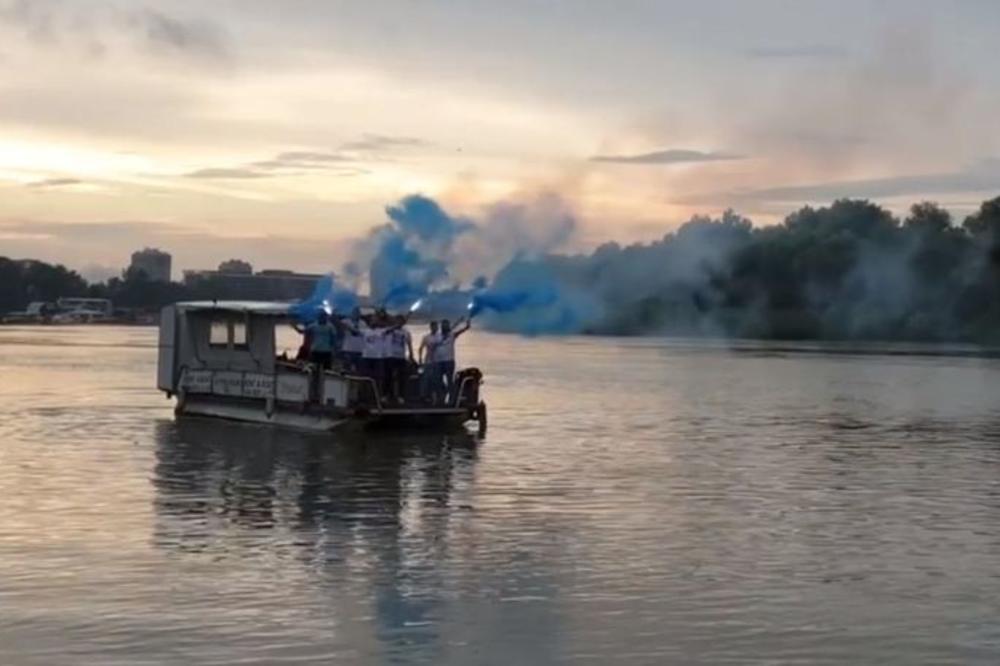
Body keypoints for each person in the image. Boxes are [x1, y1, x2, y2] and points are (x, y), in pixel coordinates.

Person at [436, 317, 471, 404]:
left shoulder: (452, 335)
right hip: (439, 361)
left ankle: (451, 399)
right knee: (438, 379)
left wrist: (467, 326)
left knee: (449, 380)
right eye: (443, 325)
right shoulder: (437, 336)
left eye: (446, 325)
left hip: (449, 361)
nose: (445, 326)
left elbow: (461, 331)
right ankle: (442, 396)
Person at [385, 315, 415, 404]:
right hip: (391, 356)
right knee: (389, 377)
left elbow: (409, 344)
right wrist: (395, 326)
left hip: (401, 357)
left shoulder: (406, 333)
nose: (399, 322)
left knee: (401, 377)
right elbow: (386, 332)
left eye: (401, 321)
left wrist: (411, 355)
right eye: (397, 320)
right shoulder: (390, 330)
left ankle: (401, 396)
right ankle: (388, 395)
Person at [418, 321, 441, 402]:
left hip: (438, 362)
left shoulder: (440, 337)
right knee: (426, 379)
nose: (434, 328)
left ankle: (437, 396)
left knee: (436, 379)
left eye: (436, 326)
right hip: (428, 361)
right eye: (433, 326)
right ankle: (423, 396)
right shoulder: (426, 337)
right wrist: (420, 359)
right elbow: (420, 348)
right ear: (430, 327)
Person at [338, 307, 364, 371]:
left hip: (359, 349)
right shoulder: (345, 321)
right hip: (348, 348)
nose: (356, 314)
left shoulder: (363, 323)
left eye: (358, 312)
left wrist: (350, 328)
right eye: (354, 312)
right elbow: (340, 328)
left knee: (359, 368)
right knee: (346, 366)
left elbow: (360, 333)